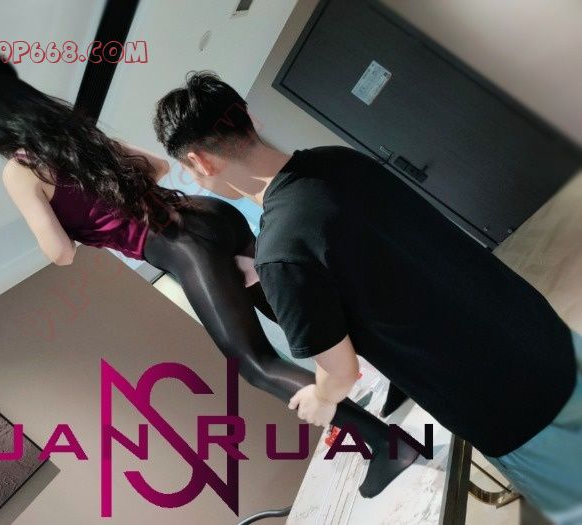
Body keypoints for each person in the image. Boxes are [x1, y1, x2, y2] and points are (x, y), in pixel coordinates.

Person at [0, 57, 417, 498]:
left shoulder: (20, 171)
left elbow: (58, 253)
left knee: (255, 363)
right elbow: (159, 165)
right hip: (207, 214)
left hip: (178, 246)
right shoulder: (77, 134)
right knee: (296, 305)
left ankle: (386, 445)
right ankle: (406, 375)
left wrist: (85, 226)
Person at [153, 71, 582, 520]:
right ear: (248, 118)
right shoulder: (339, 160)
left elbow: (341, 372)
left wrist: (320, 399)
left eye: (188, 169)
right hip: (541, 332)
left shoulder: (281, 252)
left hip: (500, 403)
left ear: (201, 161)